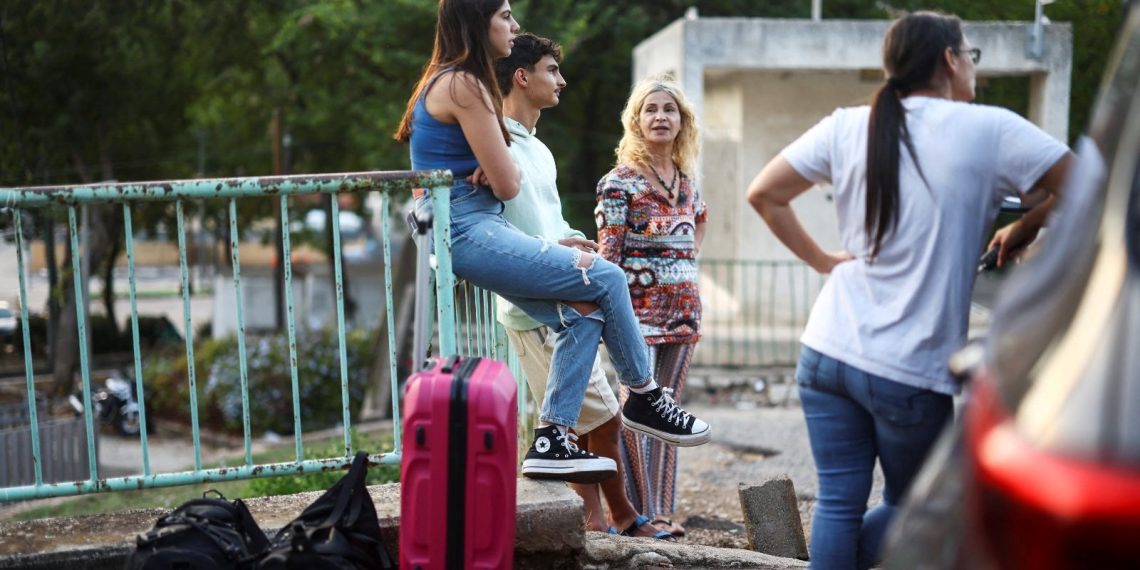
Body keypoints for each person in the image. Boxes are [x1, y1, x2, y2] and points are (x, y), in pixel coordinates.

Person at [745, 11, 1071, 569]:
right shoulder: (991, 129)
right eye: (972, 54)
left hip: (826, 347)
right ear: (949, 59)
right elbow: (1089, 188)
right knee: (920, 508)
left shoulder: (847, 124)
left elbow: (765, 194)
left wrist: (824, 261)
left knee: (839, 505)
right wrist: (1032, 224)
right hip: (908, 367)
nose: (973, 66)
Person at [394, 0, 711, 485]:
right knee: (605, 275)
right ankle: (645, 395)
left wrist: (501, 167)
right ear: (479, 21)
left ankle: (552, 438)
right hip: (467, 227)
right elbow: (507, 184)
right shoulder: (464, 83)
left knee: (583, 310)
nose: (513, 24)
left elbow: (501, 178)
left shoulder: (455, 81)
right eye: (504, 15)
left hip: (476, 225)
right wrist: (503, 168)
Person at [491, 33, 676, 541]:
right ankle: (615, 519)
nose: (562, 80)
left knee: (588, 421)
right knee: (599, 419)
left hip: (570, 302)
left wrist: (569, 238)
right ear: (523, 77)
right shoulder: (495, 141)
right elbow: (496, 229)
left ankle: (605, 519)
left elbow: (538, 221)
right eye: (552, 69)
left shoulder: (539, 149)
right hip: (537, 309)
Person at [594, 76, 708, 538]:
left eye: (670, 110)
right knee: (637, 411)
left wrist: (681, 265)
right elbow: (608, 255)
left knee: (671, 414)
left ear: (683, 122)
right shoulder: (618, 182)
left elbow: (700, 220)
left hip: (685, 314)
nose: (661, 117)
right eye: (651, 109)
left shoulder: (687, 181)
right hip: (635, 317)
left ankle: (662, 511)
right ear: (636, 121)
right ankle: (639, 517)